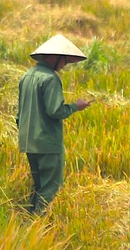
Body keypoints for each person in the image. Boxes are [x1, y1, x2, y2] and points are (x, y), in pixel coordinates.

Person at [16, 34, 93, 214]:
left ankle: (28, 221)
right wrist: (76, 106)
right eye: (64, 61)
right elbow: (55, 111)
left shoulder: (27, 76)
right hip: (47, 143)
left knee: (38, 185)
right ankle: (39, 227)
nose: (64, 65)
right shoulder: (50, 78)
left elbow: (20, 114)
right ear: (54, 57)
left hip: (28, 141)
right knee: (50, 188)